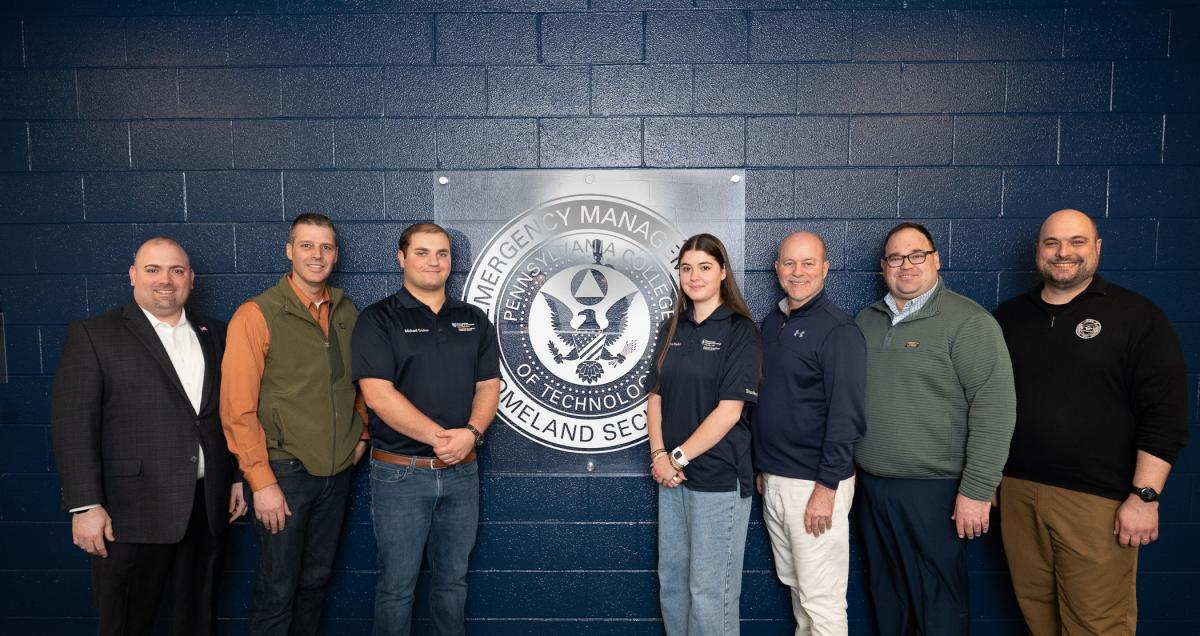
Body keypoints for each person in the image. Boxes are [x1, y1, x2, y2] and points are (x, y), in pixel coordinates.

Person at [994, 209, 1189, 635]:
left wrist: (1145, 495)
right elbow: (987, 405)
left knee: (1098, 625)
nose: (1064, 253)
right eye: (1052, 243)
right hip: (1018, 493)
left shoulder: (1136, 317)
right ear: (1038, 252)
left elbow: (1166, 414)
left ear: (1096, 248)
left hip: (1097, 502)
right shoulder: (1008, 318)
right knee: (1039, 618)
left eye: (1077, 242)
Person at [51, 236, 246, 635]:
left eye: (177, 271)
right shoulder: (94, 334)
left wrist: (238, 476)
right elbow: (73, 423)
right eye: (154, 270)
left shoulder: (217, 333)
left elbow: (229, 412)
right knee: (126, 622)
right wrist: (85, 505)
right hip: (129, 512)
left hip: (205, 506)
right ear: (133, 275)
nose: (166, 281)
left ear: (191, 278)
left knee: (197, 620)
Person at [853, 222, 1016, 635]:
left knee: (938, 602)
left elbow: (994, 410)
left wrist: (977, 490)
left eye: (916, 255)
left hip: (935, 490)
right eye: (895, 257)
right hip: (873, 487)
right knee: (887, 596)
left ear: (935, 260)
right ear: (883, 266)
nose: (906, 265)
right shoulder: (866, 322)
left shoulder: (968, 322)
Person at [220, 213, 368, 636]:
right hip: (283, 475)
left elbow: (358, 382)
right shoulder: (257, 314)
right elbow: (236, 408)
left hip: (336, 474)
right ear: (289, 251)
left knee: (315, 584)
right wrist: (260, 482)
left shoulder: (345, 310)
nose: (316, 255)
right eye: (307, 245)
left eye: (325, 247)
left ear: (335, 255)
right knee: (277, 589)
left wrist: (361, 432)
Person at [352, 222, 500, 636]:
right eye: (422, 252)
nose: (433, 262)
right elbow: (378, 395)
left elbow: (489, 385)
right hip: (400, 474)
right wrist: (442, 439)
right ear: (401, 259)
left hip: (462, 472)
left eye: (442, 253)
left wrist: (470, 433)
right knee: (397, 588)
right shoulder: (378, 319)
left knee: (452, 584)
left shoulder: (472, 318)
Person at [647, 233, 762, 636]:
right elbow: (655, 399)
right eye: (686, 268)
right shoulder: (671, 327)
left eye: (705, 267)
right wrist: (660, 457)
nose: (694, 276)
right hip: (672, 481)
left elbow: (729, 412)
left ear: (723, 272)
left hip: (717, 479)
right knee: (673, 588)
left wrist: (675, 458)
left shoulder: (740, 330)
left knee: (710, 594)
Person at [752, 231, 865, 636]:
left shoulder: (838, 330)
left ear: (825, 268)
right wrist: (764, 467)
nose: (798, 273)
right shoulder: (772, 323)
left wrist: (826, 488)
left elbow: (846, 415)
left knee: (822, 601)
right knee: (798, 591)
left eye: (808, 264)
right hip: (777, 480)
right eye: (789, 263)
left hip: (815, 484)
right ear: (777, 268)